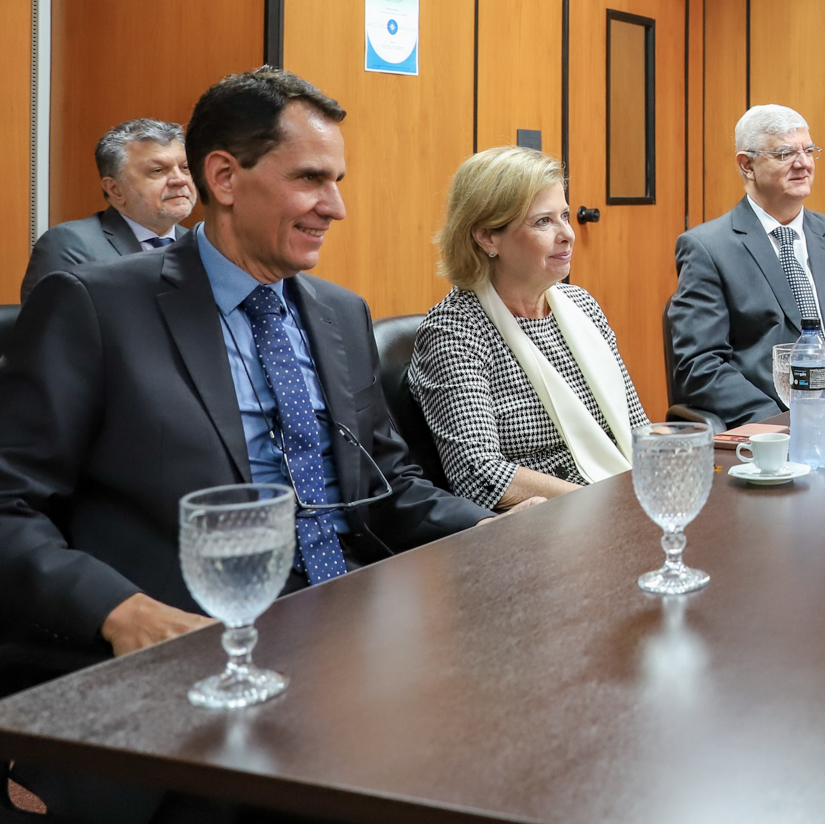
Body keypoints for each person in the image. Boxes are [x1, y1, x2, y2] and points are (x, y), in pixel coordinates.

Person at [0, 69, 500, 820]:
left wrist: (501, 531)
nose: (336, 207)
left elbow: (390, 484)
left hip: (351, 634)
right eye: (309, 180)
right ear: (225, 178)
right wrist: (121, 612)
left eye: (336, 181)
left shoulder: (340, 312)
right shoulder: (98, 308)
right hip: (196, 656)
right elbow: (9, 505)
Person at [408, 147, 647, 510]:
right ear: (487, 237)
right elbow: (479, 473)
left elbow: (637, 428)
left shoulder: (582, 305)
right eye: (543, 222)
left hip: (627, 497)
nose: (567, 234)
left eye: (564, 215)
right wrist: (608, 502)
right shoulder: (454, 330)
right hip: (553, 520)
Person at [669, 105, 825, 427]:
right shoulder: (707, 249)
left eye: (809, 150)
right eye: (785, 154)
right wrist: (782, 423)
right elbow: (699, 366)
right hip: (774, 427)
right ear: (747, 165)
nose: (803, 163)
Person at [20, 118, 195, 301]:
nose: (180, 180)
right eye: (157, 170)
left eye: (185, 168)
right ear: (114, 189)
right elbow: (54, 319)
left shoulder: (196, 243)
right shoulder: (71, 244)